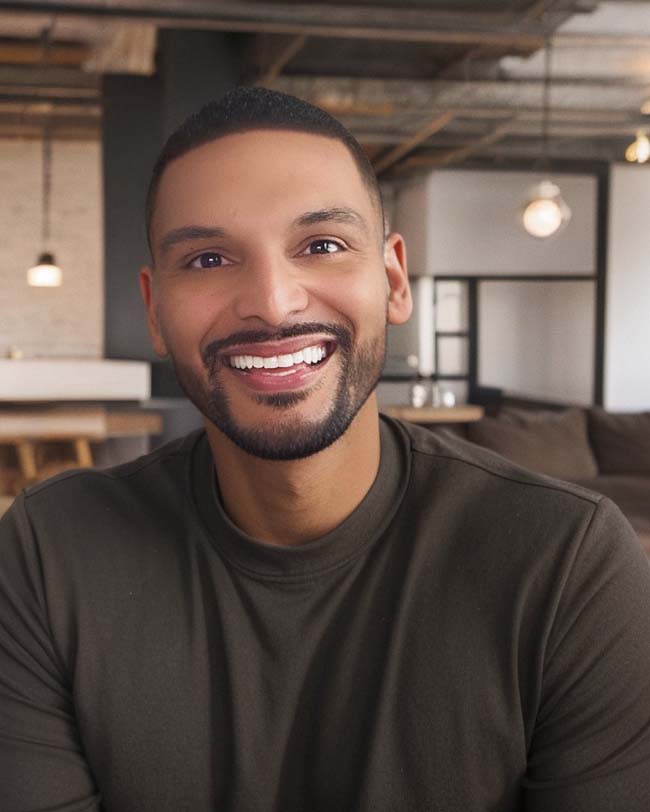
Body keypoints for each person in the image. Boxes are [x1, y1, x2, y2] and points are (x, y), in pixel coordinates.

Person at [1, 87, 650, 812]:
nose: (274, 303)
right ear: (154, 311)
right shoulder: (45, 554)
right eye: (210, 257)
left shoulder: (566, 565)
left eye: (322, 245)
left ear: (393, 279)